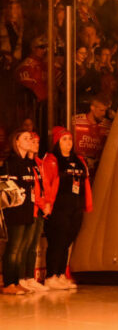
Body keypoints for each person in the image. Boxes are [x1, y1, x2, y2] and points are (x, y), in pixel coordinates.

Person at [38, 126, 89, 289]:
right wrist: (46, 203)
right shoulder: (52, 160)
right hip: (59, 206)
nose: (68, 143)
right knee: (57, 241)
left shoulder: (78, 159)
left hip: (76, 205)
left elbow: (85, 182)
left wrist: (86, 203)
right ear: (57, 142)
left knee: (67, 241)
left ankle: (60, 274)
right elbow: (46, 183)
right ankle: (51, 275)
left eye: (70, 139)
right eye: (64, 139)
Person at [1, 130, 43, 295]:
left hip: (27, 210)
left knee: (21, 249)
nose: (29, 141)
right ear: (16, 142)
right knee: (13, 248)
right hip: (14, 211)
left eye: (30, 138)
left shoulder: (28, 163)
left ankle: (17, 281)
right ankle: (8, 283)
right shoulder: (10, 162)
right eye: (25, 138)